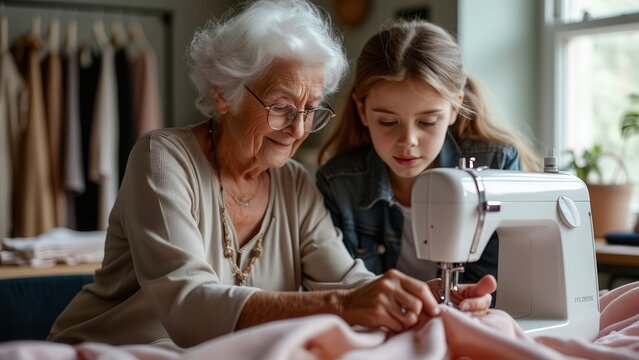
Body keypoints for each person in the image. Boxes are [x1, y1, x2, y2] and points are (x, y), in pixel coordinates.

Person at [48, 0, 496, 350]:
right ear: (225, 93)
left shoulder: (295, 184)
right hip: (117, 349)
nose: (300, 129)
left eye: (311, 110)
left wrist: (425, 295)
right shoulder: (163, 158)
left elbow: (347, 280)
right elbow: (186, 307)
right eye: (282, 108)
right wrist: (344, 304)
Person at [317, 20, 539, 286]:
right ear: (363, 111)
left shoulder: (496, 166)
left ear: (454, 109)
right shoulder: (338, 184)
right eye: (387, 122)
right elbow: (347, 293)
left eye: (427, 122)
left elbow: (494, 288)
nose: (408, 141)